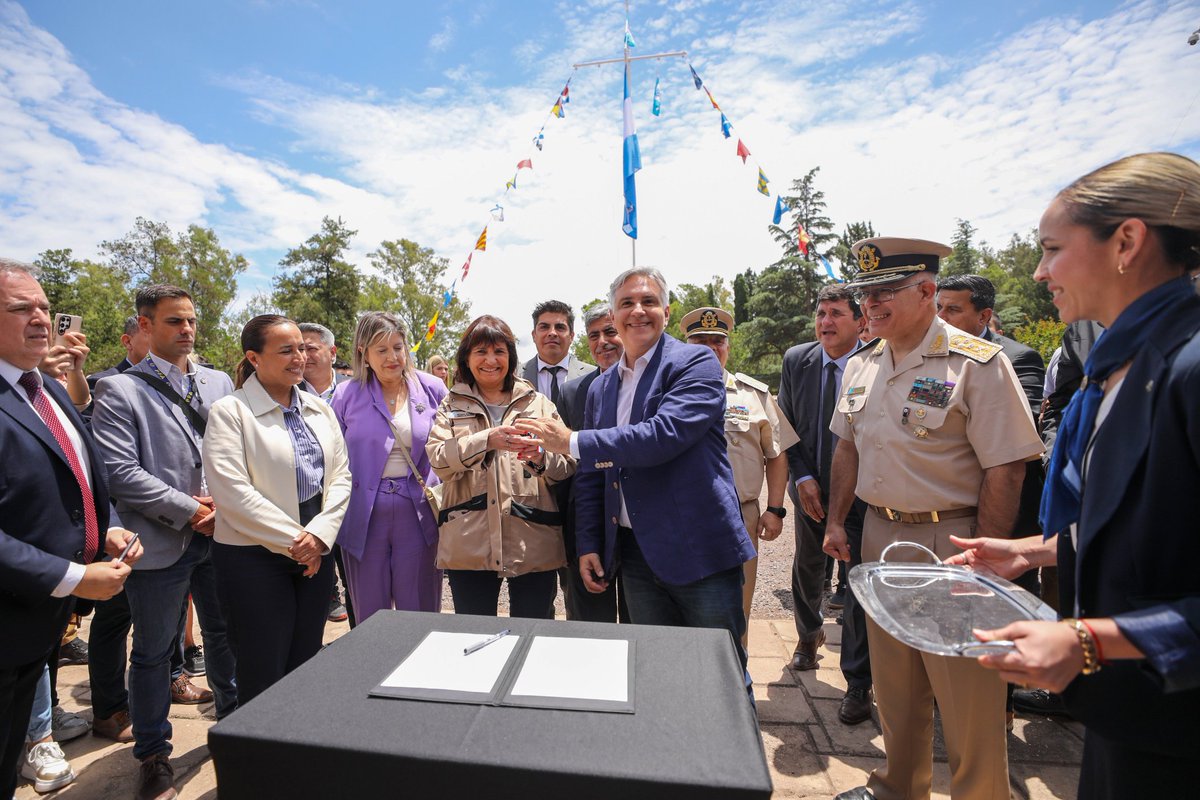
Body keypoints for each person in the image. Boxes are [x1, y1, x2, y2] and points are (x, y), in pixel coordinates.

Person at [948, 152, 1200, 799]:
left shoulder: (1189, 368)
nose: (1039, 272)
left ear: (1127, 242)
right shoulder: (1118, 366)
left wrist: (1087, 641)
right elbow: (1151, 527)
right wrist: (1033, 551)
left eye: (1053, 249)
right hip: (1127, 715)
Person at [823, 238, 1044, 800]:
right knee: (895, 685)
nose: (870, 304)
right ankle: (898, 787)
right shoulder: (863, 363)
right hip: (879, 536)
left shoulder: (978, 363)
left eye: (883, 292)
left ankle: (980, 794)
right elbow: (846, 447)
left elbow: (1006, 468)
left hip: (952, 542)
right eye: (864, 294)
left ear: (926, 290)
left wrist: (983, 555)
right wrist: (836, 521)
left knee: (966, 692)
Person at [516, 268, 757, 678]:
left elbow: (662, 436)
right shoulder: (600, 387)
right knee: (655, 671)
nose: (638, 311)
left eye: (648, 301)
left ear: (667, 311)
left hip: (699, 549)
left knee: (720, 675)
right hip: (636, 555)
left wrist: (570, 441)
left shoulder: (696, 362)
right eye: (627, 303)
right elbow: (592, 475)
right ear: (614, 314)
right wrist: (589, 543)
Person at [91, 284, 237, 800]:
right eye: (175, 321)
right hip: (159, 540)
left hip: (223, 536)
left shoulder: (219, 382)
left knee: (225, 637)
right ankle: (153, 754)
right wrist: (191, 510)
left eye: (191, 320)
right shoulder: (118, 389)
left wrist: (226, 505)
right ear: (145, 326)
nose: (187, 329)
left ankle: (235, 730)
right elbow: (121, 472)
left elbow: (236, 451)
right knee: (153, 654)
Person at [0, 258, 139, 800]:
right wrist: (74, 576)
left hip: (36, 625)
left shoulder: (45, 388)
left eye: (43, 307)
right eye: (21, 309)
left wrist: (106, 530)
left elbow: (78, 475)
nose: (41, 319)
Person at [203, 315, 351, 707]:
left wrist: (318, 537)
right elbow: (232, 492)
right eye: (286, 350)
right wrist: (297, 541)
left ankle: (295, 738)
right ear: (254, 358)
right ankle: (258, 745)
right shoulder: (230, 411)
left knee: (304, 661)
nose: (299, 357)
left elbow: (340, 477)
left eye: (301, 348)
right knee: (262, 669)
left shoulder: (319, 409)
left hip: (315, 550)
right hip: (253, 557)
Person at [427, 315, 575, 618]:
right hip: (469, 543)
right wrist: (486, 440)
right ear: (467, 358)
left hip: (532, 540)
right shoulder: (451, 405)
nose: (490, 360)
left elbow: (567, 465)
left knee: (533, 630)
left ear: (511, 356)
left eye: (499, 351)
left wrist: (541, 458)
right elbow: (438, 460)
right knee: (475, 632)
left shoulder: (537, 403)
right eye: (481, 352)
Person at [777, 285, 874, 725]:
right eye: (821, 313)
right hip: (811, 490)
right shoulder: (797, 360)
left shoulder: (876, 362)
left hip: (863, 495)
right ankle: (808, 636)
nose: (825, 322)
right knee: (808, 565)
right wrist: (802, 478)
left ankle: (858, 681)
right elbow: (786, 425)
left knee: (857, 580)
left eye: (836, 313)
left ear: (860, 321)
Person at [682, 306, 797, 646]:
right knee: (682, 607)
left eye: (717, 341)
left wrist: (774, 509)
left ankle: (735, 671)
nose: (710, 348)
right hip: (682, 516)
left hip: (739, 515)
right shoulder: (668, 392)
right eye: (700, 341)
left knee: (737, 606)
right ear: (686, 346)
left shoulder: (753, 395)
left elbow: (776, 454)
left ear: (728, 347)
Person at [330, 312, 446, 622]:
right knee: (371, 613)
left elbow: (451, 445)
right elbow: (333, 457)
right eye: (381, 350)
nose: (392, 357)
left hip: (418, 510)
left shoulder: (432, 389)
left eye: (398, 347)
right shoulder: (345, 395)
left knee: (419, 610)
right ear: (364, 353)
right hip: (363, 514)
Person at [556, 304, 628, 623]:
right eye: (594, 335)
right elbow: (571, 463)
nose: (602, 342)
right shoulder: (573, 392)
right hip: (588, 521)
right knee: (590, 624)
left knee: (639, 623)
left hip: (635, 523)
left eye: (610, 332)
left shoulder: (650, 384)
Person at [297, 322, 352, 624]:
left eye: (310, 348)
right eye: (298, 348)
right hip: (309, 499)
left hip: (352, 493)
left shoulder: (353, 390)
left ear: (332, 352)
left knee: (356, 576)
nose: (303, 355)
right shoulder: (287, 392)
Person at [520, 300, 595, 408]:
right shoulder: (514, 376)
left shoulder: (593, 376)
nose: (552, 333)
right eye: (544, 327)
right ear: (534, 335)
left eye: (560, 327)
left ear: (571, 336)